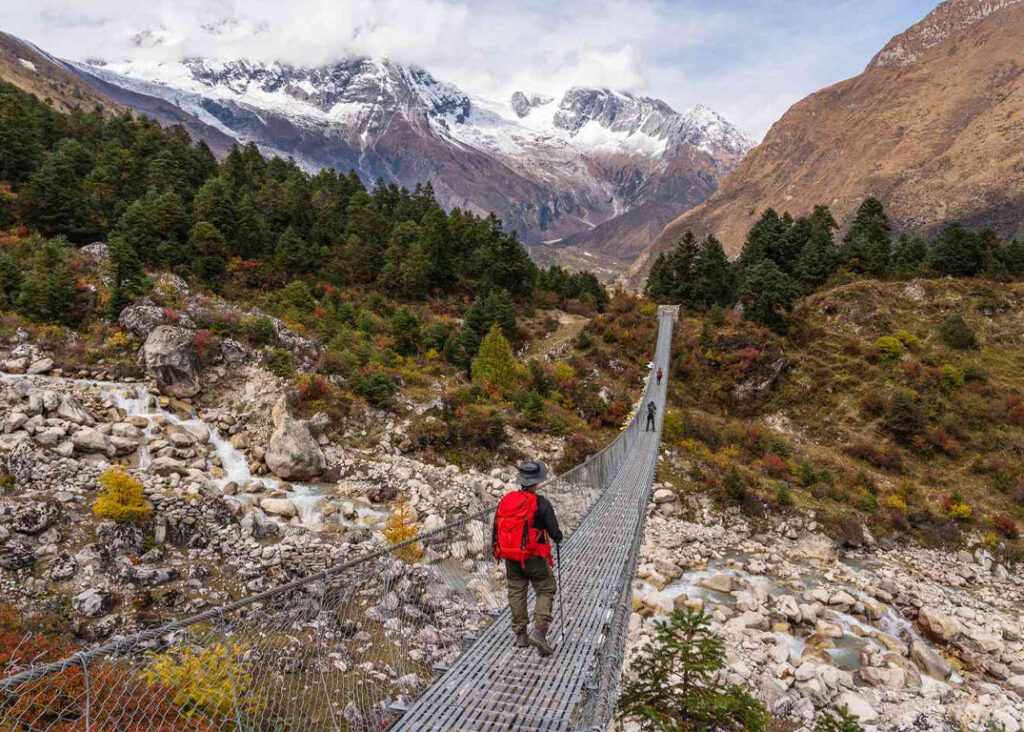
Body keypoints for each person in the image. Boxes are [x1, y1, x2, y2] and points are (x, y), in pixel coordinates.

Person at [492, 460, 563, 657]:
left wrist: (498, 550)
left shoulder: (506, 501)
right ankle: (539, 632)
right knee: (546, 588)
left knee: (516, 591)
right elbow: (555, 532)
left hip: (511, 556)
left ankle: (520, 636)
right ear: (537, 482)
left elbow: (496, 528)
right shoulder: (541, 503)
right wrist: (558, 538)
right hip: (534, 556)